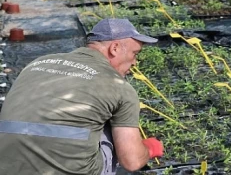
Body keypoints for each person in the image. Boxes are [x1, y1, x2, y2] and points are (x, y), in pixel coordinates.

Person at [0, 18, 164, 175]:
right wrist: (149, 148)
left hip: (7, 165)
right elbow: (132, 161)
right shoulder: (118, 86)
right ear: (114, 48)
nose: (135, 62)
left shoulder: (37, 63)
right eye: (135, 53)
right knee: (110, 123)